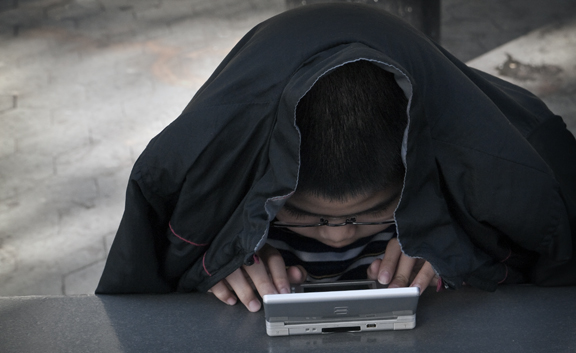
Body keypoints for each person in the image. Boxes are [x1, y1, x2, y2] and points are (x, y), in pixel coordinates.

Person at [96, 3, 576, 313]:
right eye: (303, 215)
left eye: (373, 212)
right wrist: (219, 264)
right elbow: (136, 312)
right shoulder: (200, 168)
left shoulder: (519, 159)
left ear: (415, 174)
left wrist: (453, 254)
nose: (339, 233)